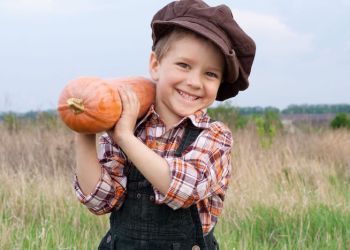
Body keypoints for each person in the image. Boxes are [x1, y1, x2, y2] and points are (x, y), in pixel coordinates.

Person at [73, 0, 255, 249]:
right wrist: (84, 128)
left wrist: (126, 138)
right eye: (184, 65)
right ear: (156, 65)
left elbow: (185, 190)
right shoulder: (127, 123)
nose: (194, 81)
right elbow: (100, 200)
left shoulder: (214, 136)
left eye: (210, 74)